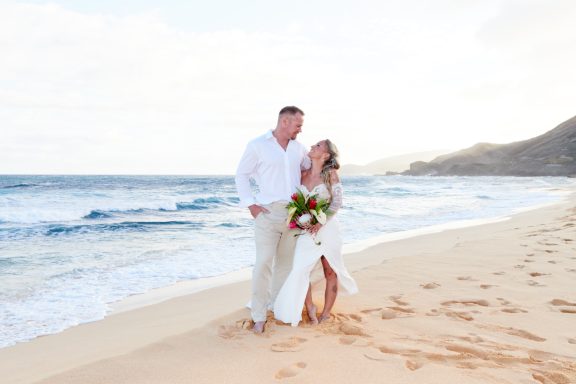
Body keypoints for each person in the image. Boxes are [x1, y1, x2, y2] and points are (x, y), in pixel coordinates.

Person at [235, 106, 311, 334]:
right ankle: (258, 316)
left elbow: (311, 169)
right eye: (298, 125)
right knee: (263, 264)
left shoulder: (299, 148)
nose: (300, 130)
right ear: (285, 122)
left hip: (293, 214)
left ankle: (278, 309)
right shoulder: (257, 145)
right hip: (267, 213)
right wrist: (251, 205)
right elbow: (241, 175)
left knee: (285, 266)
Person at [273, 139, 358, 326]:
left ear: (326, 155)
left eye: (318, 146)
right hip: (306, 231)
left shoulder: (331, 175)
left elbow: (337, 203)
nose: (313, 146)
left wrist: (320, 222)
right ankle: (309, 307)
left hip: (328, 229)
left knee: (330, 270)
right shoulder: (301, 175)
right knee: (300, 268)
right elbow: (294, 200)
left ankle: (326, 313)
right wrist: (297, 218)